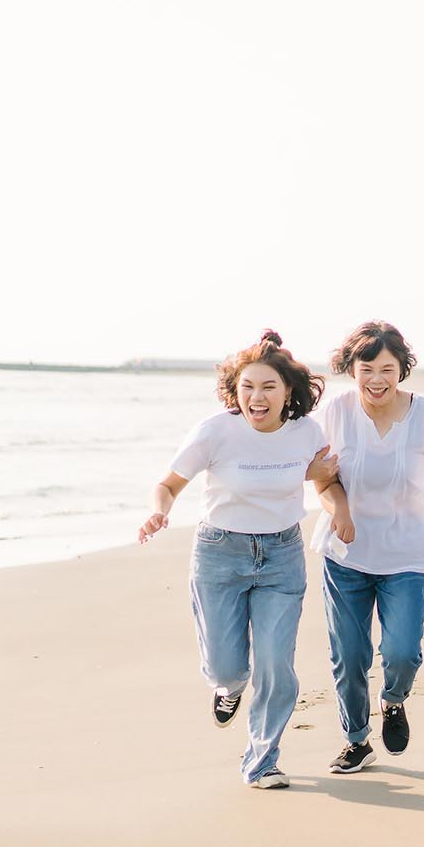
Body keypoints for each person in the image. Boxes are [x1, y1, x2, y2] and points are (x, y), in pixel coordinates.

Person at [137, 330, 336, 789]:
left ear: (288, 391)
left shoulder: (307, 432)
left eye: (268, 387)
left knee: (275, 664)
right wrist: (158, 512)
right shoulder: (215, 431)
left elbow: (323, 479)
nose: (256, 397)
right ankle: (229, 688)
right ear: (234, 390)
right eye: (247, 387)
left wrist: (334, 501)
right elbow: (167, 485)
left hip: (281, 555)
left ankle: (262, 762)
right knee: (226, 667)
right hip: (219, 554)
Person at [309, 321, 424, 774]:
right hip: (346, 555)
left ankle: (392, 699)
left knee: (402, 652)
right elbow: (318, 475)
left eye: (387, 369)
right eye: (366, 369)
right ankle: (356, 740)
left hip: (407, 554)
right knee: (350, 656)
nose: (376, 380)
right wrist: (339, 510)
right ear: (352, 369)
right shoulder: (335, 412)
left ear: (402, 369)